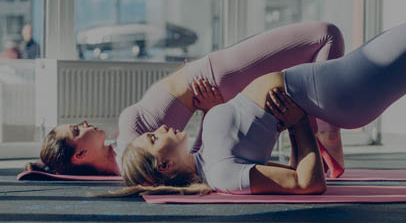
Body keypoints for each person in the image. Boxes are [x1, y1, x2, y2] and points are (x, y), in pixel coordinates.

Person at [120, 11, 406, 197]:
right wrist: (297, 122)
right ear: (164, 166)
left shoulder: (202, 157)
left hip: (328, 87)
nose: (158, 130)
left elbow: (287, 162)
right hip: (337, 94)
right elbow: (308, 183)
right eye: (151, 139)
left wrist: (212, 108)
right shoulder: (222, 173)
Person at [29, 22, 346, 176]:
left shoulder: (121, 149)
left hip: (214, 72)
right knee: (325, 36)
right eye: (75, 130)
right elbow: (195, 160)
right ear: (81, 155)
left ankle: (322, 132)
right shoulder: (131, 157)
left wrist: (39, 167)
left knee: (313, 53)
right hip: (218, 77)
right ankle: (326, 133)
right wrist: (209, 110)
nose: (83, 123)